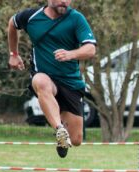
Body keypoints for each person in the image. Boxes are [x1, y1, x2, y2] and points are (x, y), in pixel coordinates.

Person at [7, 0, 96, 158]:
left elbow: (91, 48)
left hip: (71, 82)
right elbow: (12, 24)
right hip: (45, 77)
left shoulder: (76, 18)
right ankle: (59, 130)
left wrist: (71, 54)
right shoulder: (31, 17)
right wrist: (14, 54)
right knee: (40, 81)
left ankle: (64, 135)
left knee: (76, 139)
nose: (65, 1)